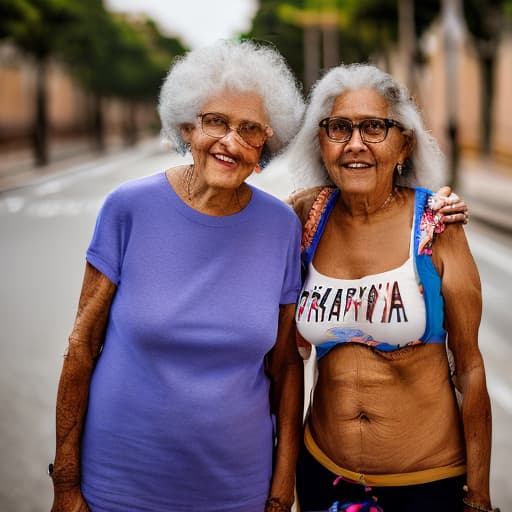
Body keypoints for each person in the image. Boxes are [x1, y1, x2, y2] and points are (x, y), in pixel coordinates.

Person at [49, 40, 306, 512]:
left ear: (265, 145)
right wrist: (65, 484)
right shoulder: (129, 208)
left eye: (250, 129)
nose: (231, 142)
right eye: (216, 122)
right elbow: (81, 347)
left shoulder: (281, 228)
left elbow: (286, 368)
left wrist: (281, 488)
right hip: (119, 485)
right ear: (188, 127)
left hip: (237, 489)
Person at [287, 64, 496, 512]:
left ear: (404, 143)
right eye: (339, 128)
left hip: (426, 482)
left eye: (374, 127)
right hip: (322, 472)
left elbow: (471, 368)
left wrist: (478, 495)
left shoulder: (436, 225)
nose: (355, 144)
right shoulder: (305, 218)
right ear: (321, 143)